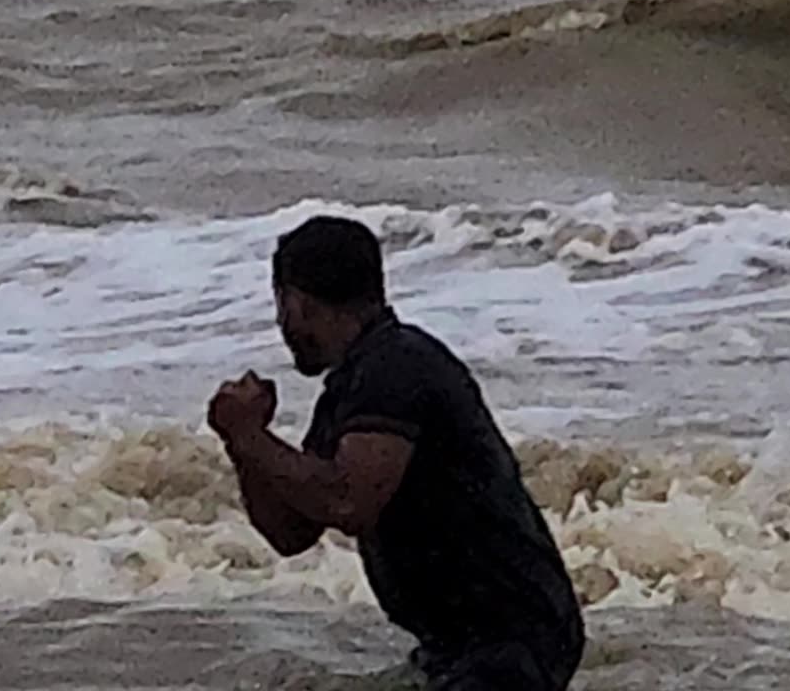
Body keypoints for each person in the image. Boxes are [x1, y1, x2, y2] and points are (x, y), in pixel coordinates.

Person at [206, 215, 585, 690]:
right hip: (462, 642)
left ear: (295, 301)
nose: (282, 322)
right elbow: (291, 531)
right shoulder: (355, 381)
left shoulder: (395, 368)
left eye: (281, 305)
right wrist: (243, 443)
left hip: (511, 637)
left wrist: (249, 436)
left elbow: (349, 502)